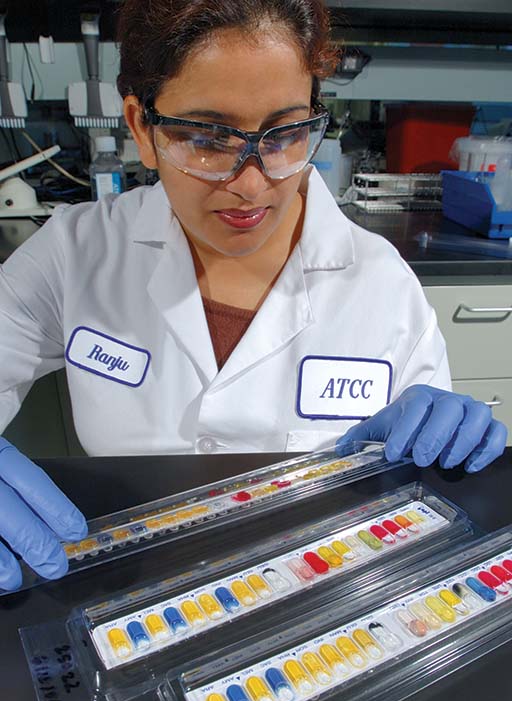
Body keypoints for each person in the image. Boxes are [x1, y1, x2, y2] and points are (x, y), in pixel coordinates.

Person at [0, 0, 506, 591]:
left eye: (286, 133)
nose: (250, 183)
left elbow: (421, 503)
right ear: (142, 128)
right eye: (207, 138)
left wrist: (438, 453)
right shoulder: (78, 253)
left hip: (313, 608)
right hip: (130, 589)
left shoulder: (383, 287)